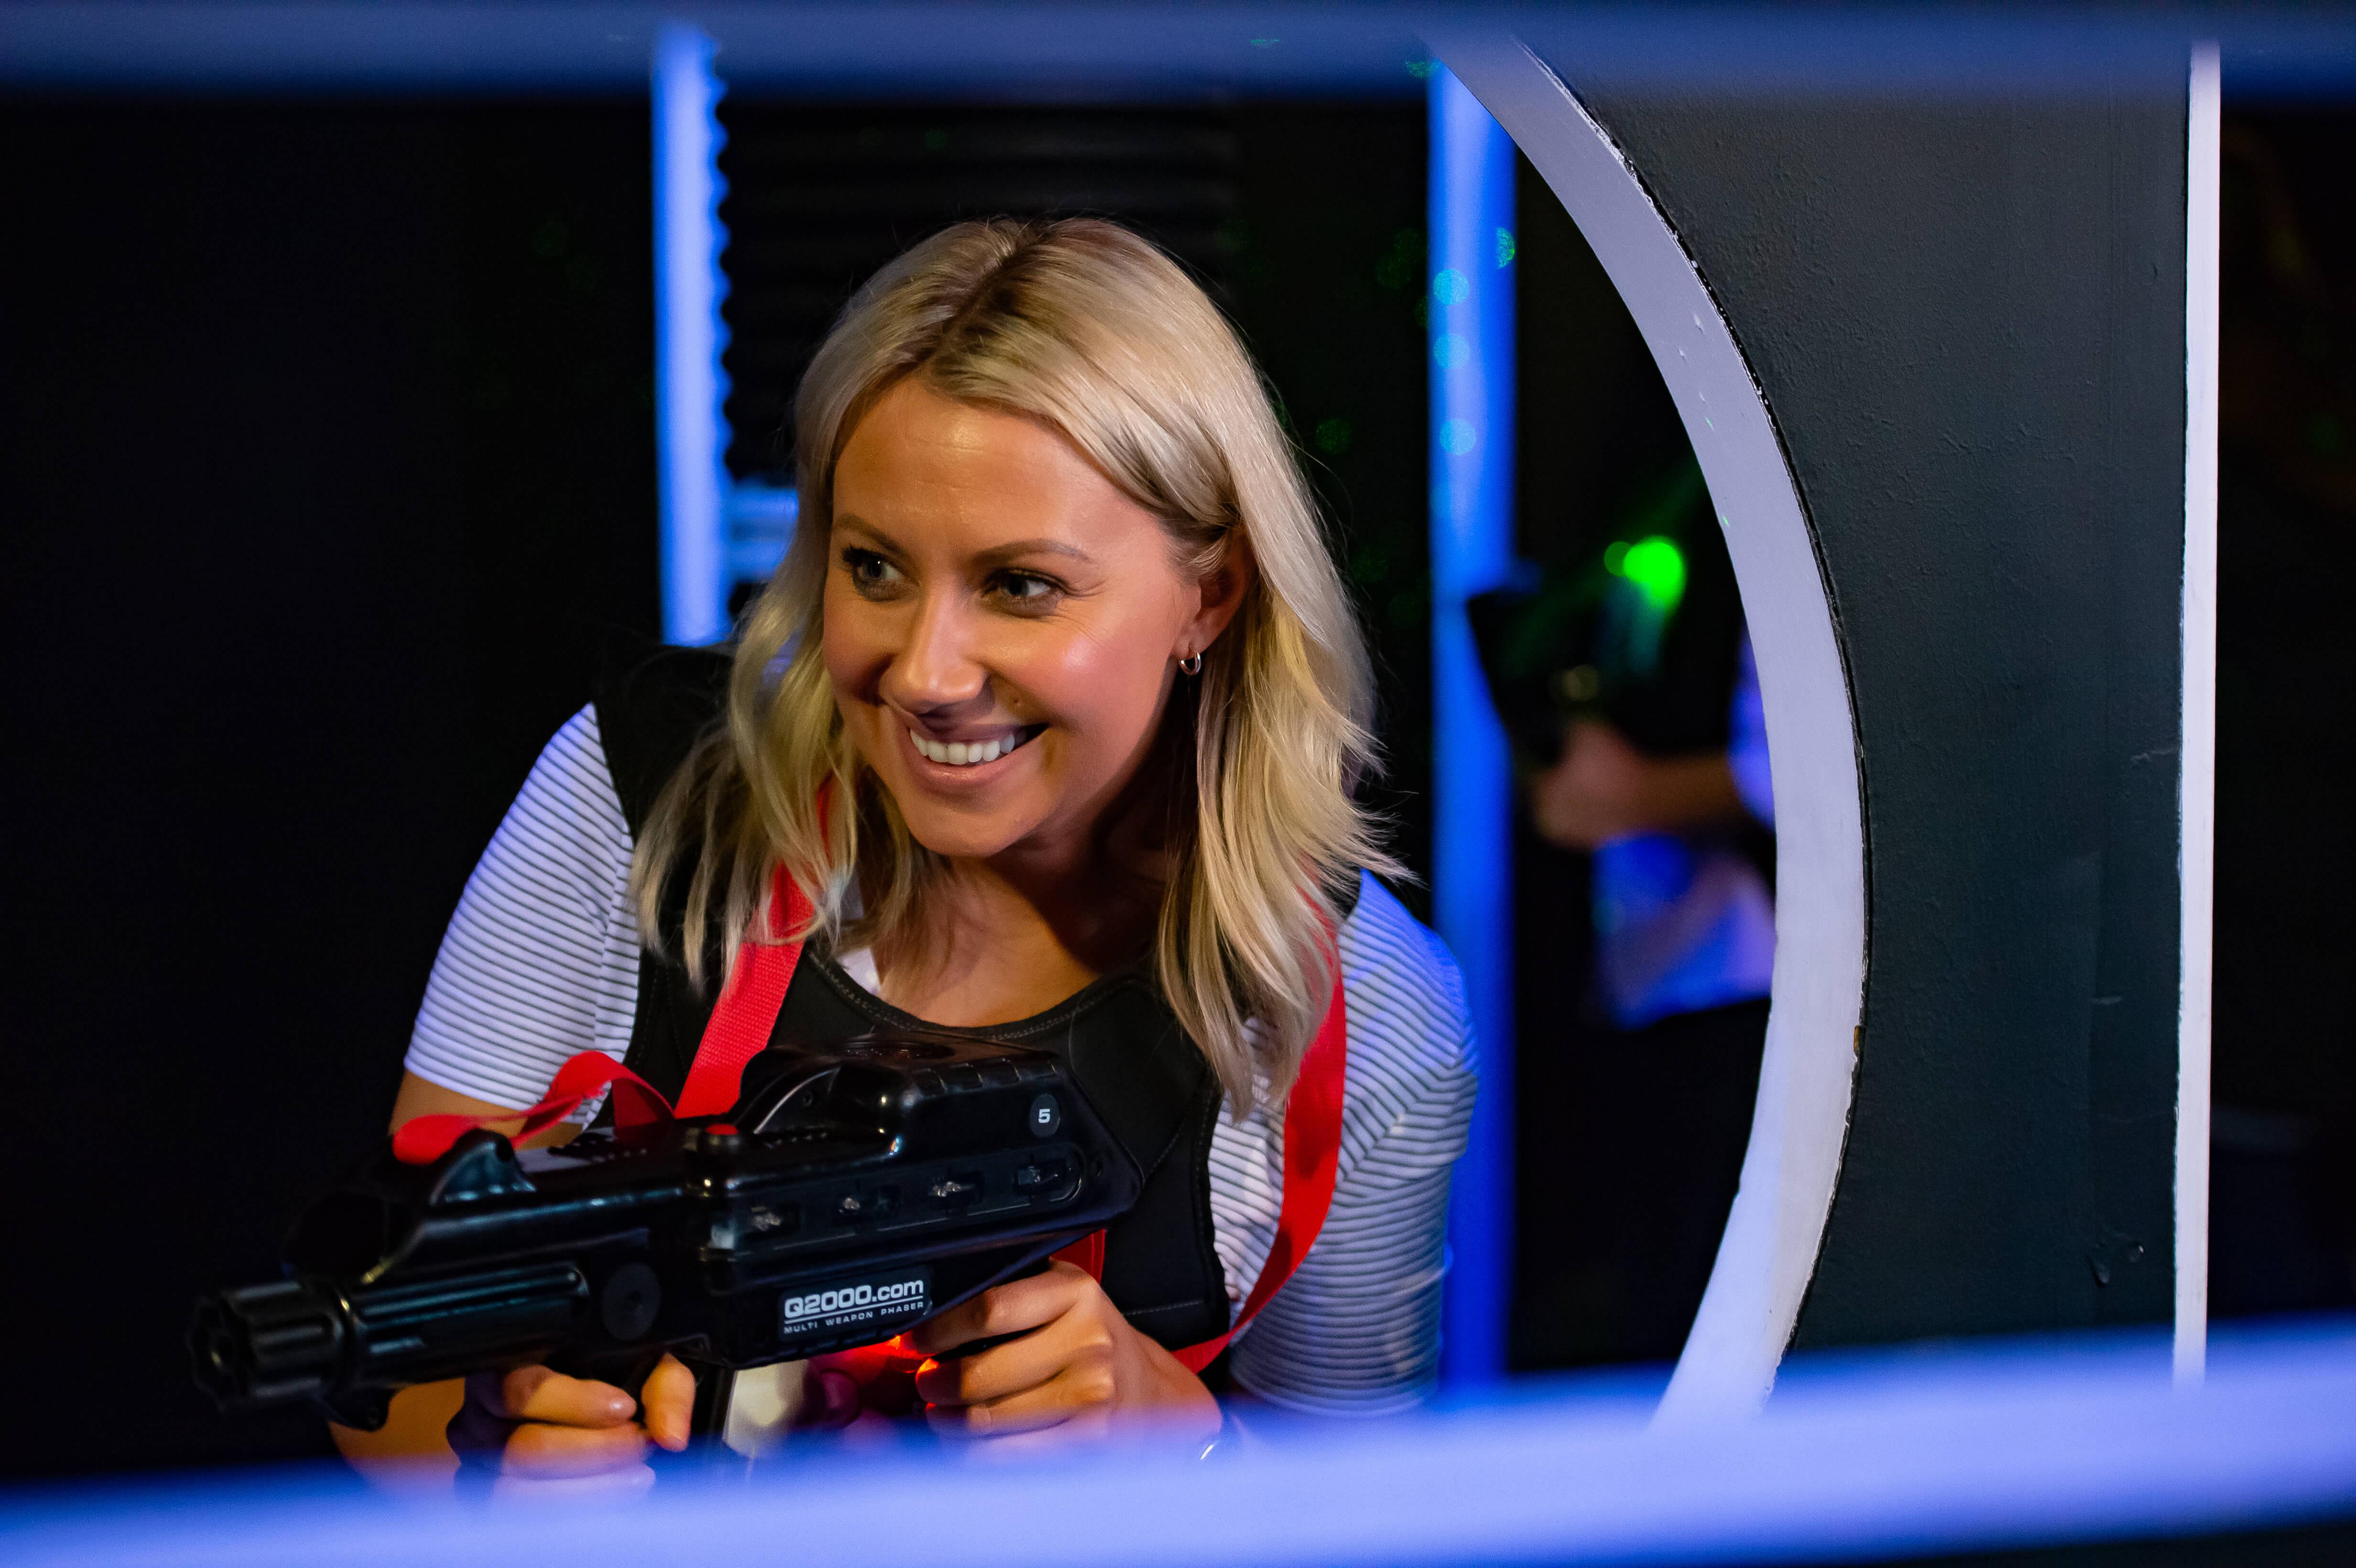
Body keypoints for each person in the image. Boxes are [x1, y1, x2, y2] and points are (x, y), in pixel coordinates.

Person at [350, 218, 1475, 1492]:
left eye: (1023, 586)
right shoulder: (643, 802)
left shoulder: (1366, 1013)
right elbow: (386, 1369)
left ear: (1207, 598)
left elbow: (1361, 1509)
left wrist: (1190, 1443)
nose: (926, 675)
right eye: (873, 566)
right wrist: (498, 1470)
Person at [1526, 630, 1773, 1362]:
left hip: (1732, 978)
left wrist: (1635, 796)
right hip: (1633, 981)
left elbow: (1815, 760)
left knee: (1697, 1310)